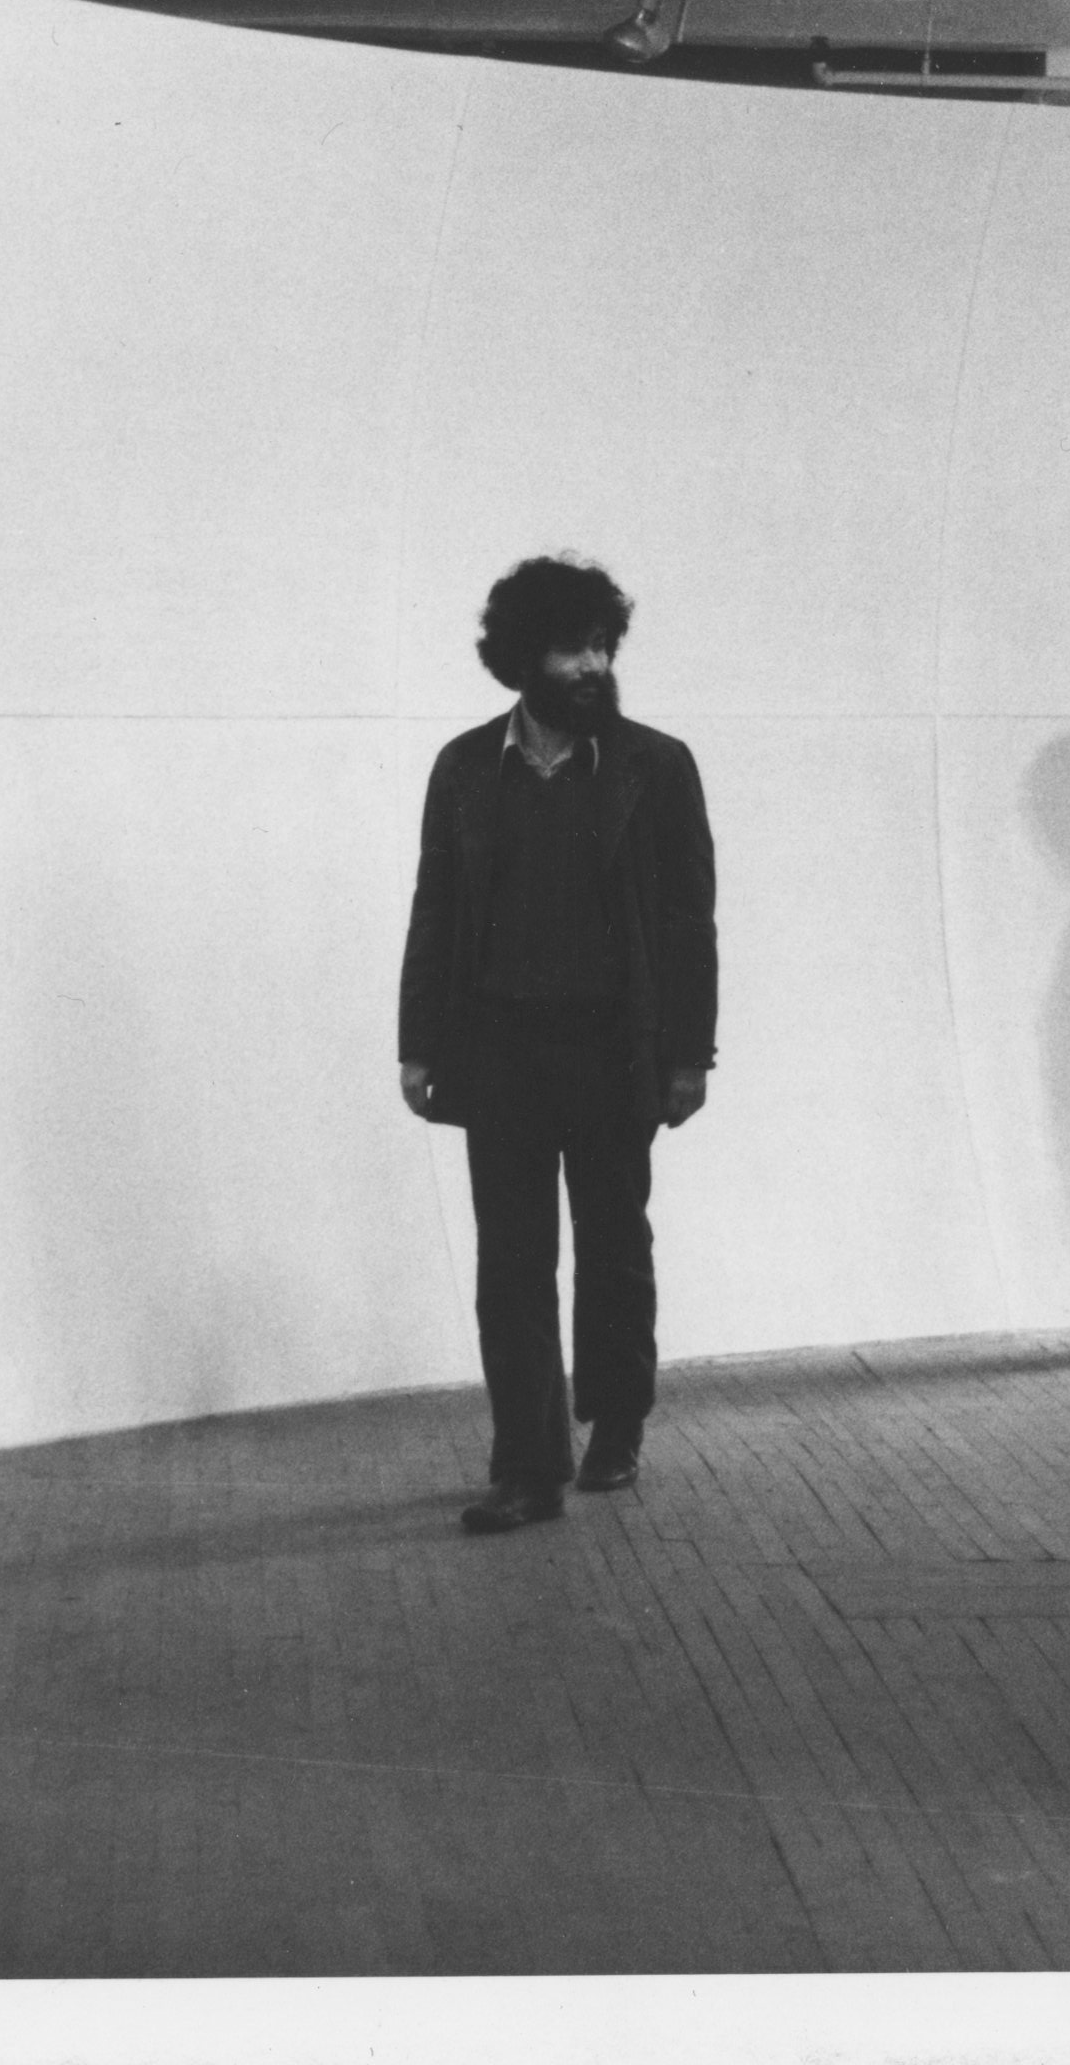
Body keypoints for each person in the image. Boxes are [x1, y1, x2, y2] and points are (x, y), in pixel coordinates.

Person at [399, 556, 716, 1534]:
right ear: (518, 658)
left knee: (615, 1246)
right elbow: (435, 911)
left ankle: (615, 1421)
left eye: (602, 646)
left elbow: (687, 922)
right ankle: (525, 1466)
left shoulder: (653, 765)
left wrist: (688, 1055)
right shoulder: (463, 765)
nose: (592, 665)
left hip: (612, 1048)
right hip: (497, 1048)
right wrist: (417, 1044)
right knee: (511, 1259)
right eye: (571, 647)